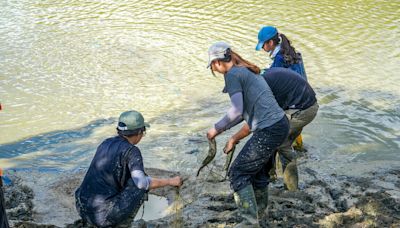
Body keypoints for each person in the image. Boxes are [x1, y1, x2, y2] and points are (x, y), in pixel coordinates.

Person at [206, 41, 289, 226]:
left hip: (270, 129)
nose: (213, 69)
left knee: (238, 173)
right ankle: (260, 211)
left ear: (218, 62)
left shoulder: (232, 74)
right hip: (280, 125)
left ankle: (250, 222)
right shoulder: (244, 69)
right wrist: (223, 131)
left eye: (212, 65)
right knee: (258, 172)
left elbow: (236, 110)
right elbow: (242, 113)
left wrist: (215, 129)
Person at [75, 110, 182, 227]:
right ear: (140, 132)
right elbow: (141, 183)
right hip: (103, 217)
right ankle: (123, 224)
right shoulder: (132, 151)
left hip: (81, 208)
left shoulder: (106, 142)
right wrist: (170, 181)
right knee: (137, 182)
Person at [231, 67, 318, 191]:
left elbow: (250, 125)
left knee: (281, 143)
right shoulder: (261, 78)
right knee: (272, 137)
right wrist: (222, 128)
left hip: (303, 110)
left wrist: (234, 138)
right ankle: (271, 177)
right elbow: (244, 114)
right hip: (304, 104)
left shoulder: (261, 89)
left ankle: (291, 189)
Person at [256, 25, 308, 151]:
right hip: (304, 97)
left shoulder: (279, 58)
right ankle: (301, 150)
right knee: (295, 130)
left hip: (294, 101)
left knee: (282, 136)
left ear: (270, 42)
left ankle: (292, 153)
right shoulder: (290, 51)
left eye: (263, 44)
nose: (262, 47)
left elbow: (274, 77)